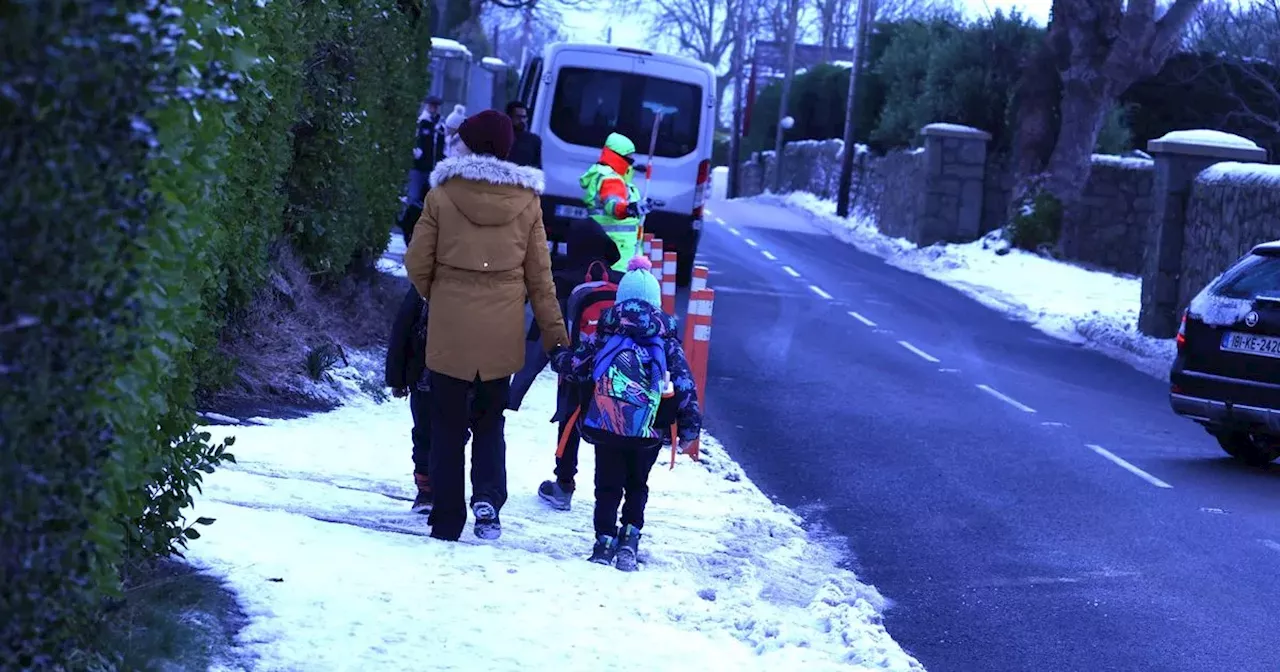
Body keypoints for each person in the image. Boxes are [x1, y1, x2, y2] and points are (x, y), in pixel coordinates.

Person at [405, 109, 569, 542]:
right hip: (500, 335)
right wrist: (556, 338)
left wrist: (439, 295)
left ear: (470, 144)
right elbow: (540, 278)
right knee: (490, 420)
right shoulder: (527, 201)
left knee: (446, 425)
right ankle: (488, 498)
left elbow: (417, 262)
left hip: (449, 332)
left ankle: (446, 518)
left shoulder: (441, 194)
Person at [550, 256, 701, 571]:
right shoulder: (666, 341)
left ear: (620, 299)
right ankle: (630, 537)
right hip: (648, 431)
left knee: (606, 485)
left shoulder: (606, 334)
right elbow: (685, 387)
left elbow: (577, 365)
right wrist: (688, 430)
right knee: (637, 484)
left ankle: (604, 540)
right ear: (656, 304)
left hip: (606, 425)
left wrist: (559, 357)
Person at [507, 217, 625, 511]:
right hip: (618, 373)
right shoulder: (622, 282)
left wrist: (514, 392)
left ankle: (564, 485)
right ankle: (613, 497)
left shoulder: (561, 280)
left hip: (576, 369)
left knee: (570, 420)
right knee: (612, 429)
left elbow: (538, 335)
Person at [384, 281, 432, 514]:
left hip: (427, 375)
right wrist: (397, 378)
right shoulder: (423, 288)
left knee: (429, 434)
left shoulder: (423, 287)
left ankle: (430, 489)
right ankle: (426, 489)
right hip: (424, 375)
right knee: (427, 433)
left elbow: (401, 329)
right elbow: (402, 330)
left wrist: (398, 379)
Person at [580, 132, 649, 272]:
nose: (631, 163)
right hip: (618, 256)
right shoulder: (611, 179)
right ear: (618, 157)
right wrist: (629, 208)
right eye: (629, 158)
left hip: (611, 250)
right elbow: (613, 203)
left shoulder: (607, 176)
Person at [505, 101, 541, 169]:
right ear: (509, 117)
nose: (521, 120)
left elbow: (537, 167)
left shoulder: (534, 140)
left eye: (524, 117)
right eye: (518, 117)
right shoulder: (501, 137)